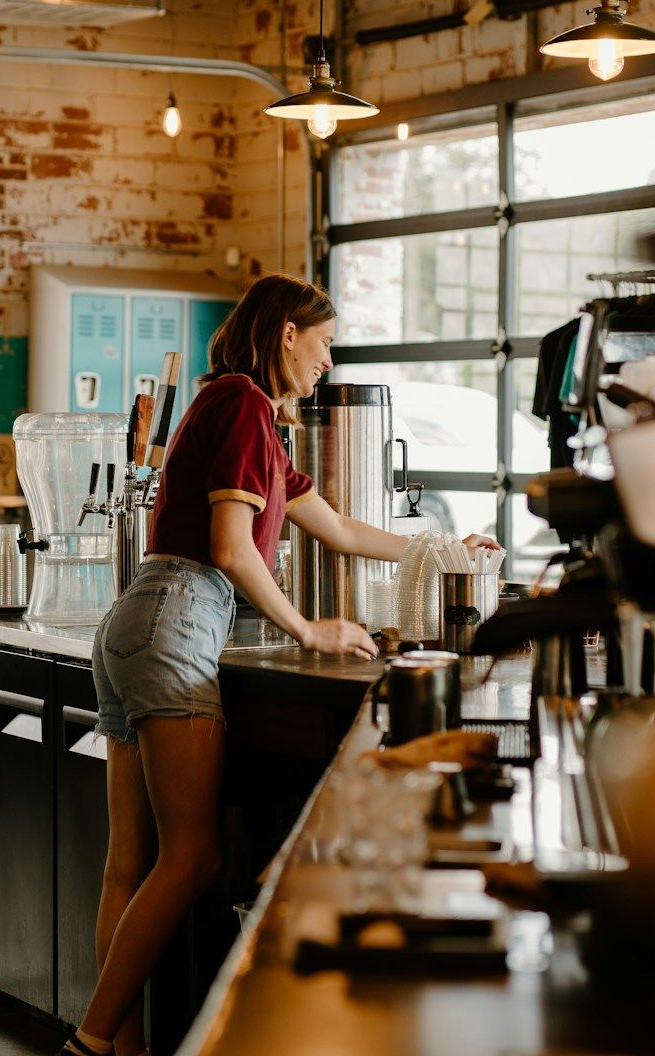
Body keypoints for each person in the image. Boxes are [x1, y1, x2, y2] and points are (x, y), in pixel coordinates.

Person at [65, 273, 496, 1056]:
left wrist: (441, 547)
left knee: (130, 864)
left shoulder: (253, 422)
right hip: (175, 621)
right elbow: (231, 548)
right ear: (286, 335)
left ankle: (115, 1048)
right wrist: (307, 629)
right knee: (193, 858)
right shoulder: (238, 403)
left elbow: (335, 527)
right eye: (324, 342)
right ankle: (91, 1043)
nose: (330, 361)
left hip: (135, 621)